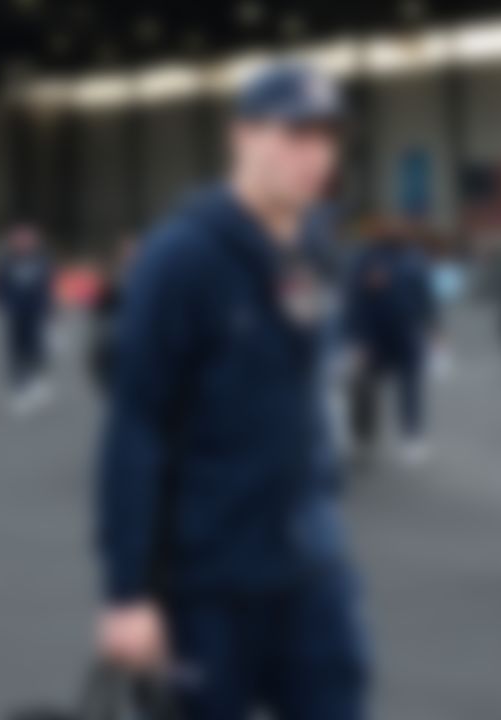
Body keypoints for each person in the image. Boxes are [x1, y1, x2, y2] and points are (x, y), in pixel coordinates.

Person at [95, 63, 368, 719]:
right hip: (209, 586)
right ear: (241, 135)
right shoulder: (179, 258)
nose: (316, 155)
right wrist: (128, 593)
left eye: (328, 137)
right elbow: (136, 425)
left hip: (314, 568)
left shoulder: (316, 248)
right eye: (296, 134)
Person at [342, 219, 438, 465]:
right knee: (362, 386)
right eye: (389, 229)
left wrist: (434, 328)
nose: (395, 232)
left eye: (399, 229)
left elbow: (426, 296)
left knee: (410, 387)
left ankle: (412, 437)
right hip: (373, 337)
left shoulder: (414, 259)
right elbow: (354, 300)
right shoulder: (365, 259)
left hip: (406, 334)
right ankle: (363, 437)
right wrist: (357, 339)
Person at [0, 223, 55, 415]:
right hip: (15, 315)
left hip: (36, 314)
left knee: (37, 349)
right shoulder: (5, 262)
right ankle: (19, 389)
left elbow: (46, 287)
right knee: (16, 352)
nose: (23, 243)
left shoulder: (41, 261)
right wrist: (3, 304)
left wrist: (49, 309)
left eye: (27, 240)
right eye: (19, 240)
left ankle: (38, 383)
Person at [87, 235, 138, 395]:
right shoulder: (113, 276)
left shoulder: (148, 275)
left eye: (132, 251)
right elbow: (101, 304)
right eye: (126, 251)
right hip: (115, 327)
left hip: (136, 328)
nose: (129, 255)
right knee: (103, 355)